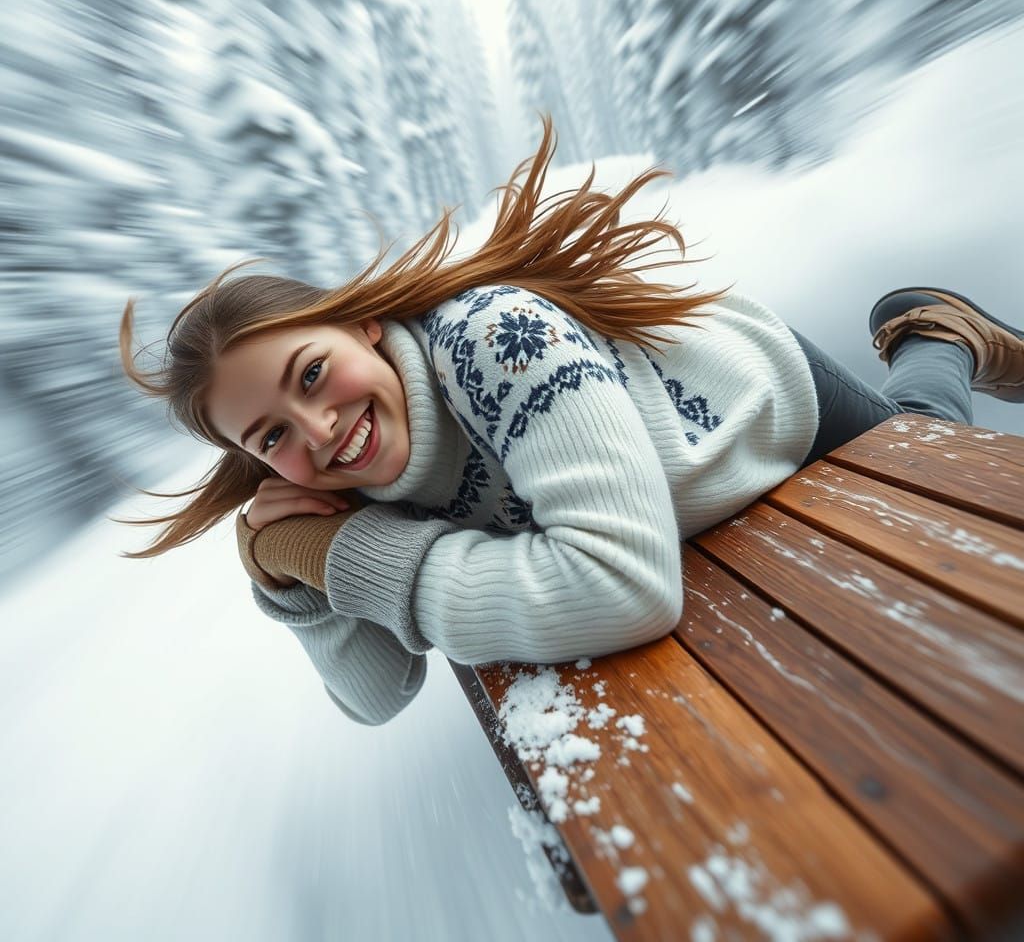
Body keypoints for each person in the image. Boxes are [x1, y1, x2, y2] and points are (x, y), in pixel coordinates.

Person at [118, 115, 1024, 725]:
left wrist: (348, 556)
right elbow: (377, 697)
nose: (318, 431)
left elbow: (625, 589)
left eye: (312, 374)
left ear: (363, 325)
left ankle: (933, 334)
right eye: (271, 435)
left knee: (932, 460)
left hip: (752, 406)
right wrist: (291, 573)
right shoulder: (344, 478)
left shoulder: (494, 337)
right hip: (688, 513)